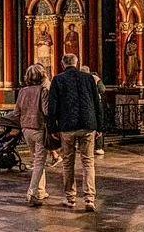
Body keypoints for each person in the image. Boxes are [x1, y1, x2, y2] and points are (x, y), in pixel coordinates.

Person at [47, 53, 103, 213]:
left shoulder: (58, 79)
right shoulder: (89, 78)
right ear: (77, 63)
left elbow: (52, 107)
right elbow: (96, 103)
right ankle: (90, 199)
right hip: (88, 125)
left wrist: (53, 128)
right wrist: (99, 127)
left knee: (68, 163)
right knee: (88, 162)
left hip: (67, 127)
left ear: (63, 64)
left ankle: (70, 198)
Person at [15, 63, 50, 207]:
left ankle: (41, 190)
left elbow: (17, 111)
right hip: (39, 128)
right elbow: (46, 110)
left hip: (26, 129)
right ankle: (32, 193)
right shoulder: (43, 90)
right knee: (39, 162)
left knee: (36, 160)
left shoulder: (23, 91)